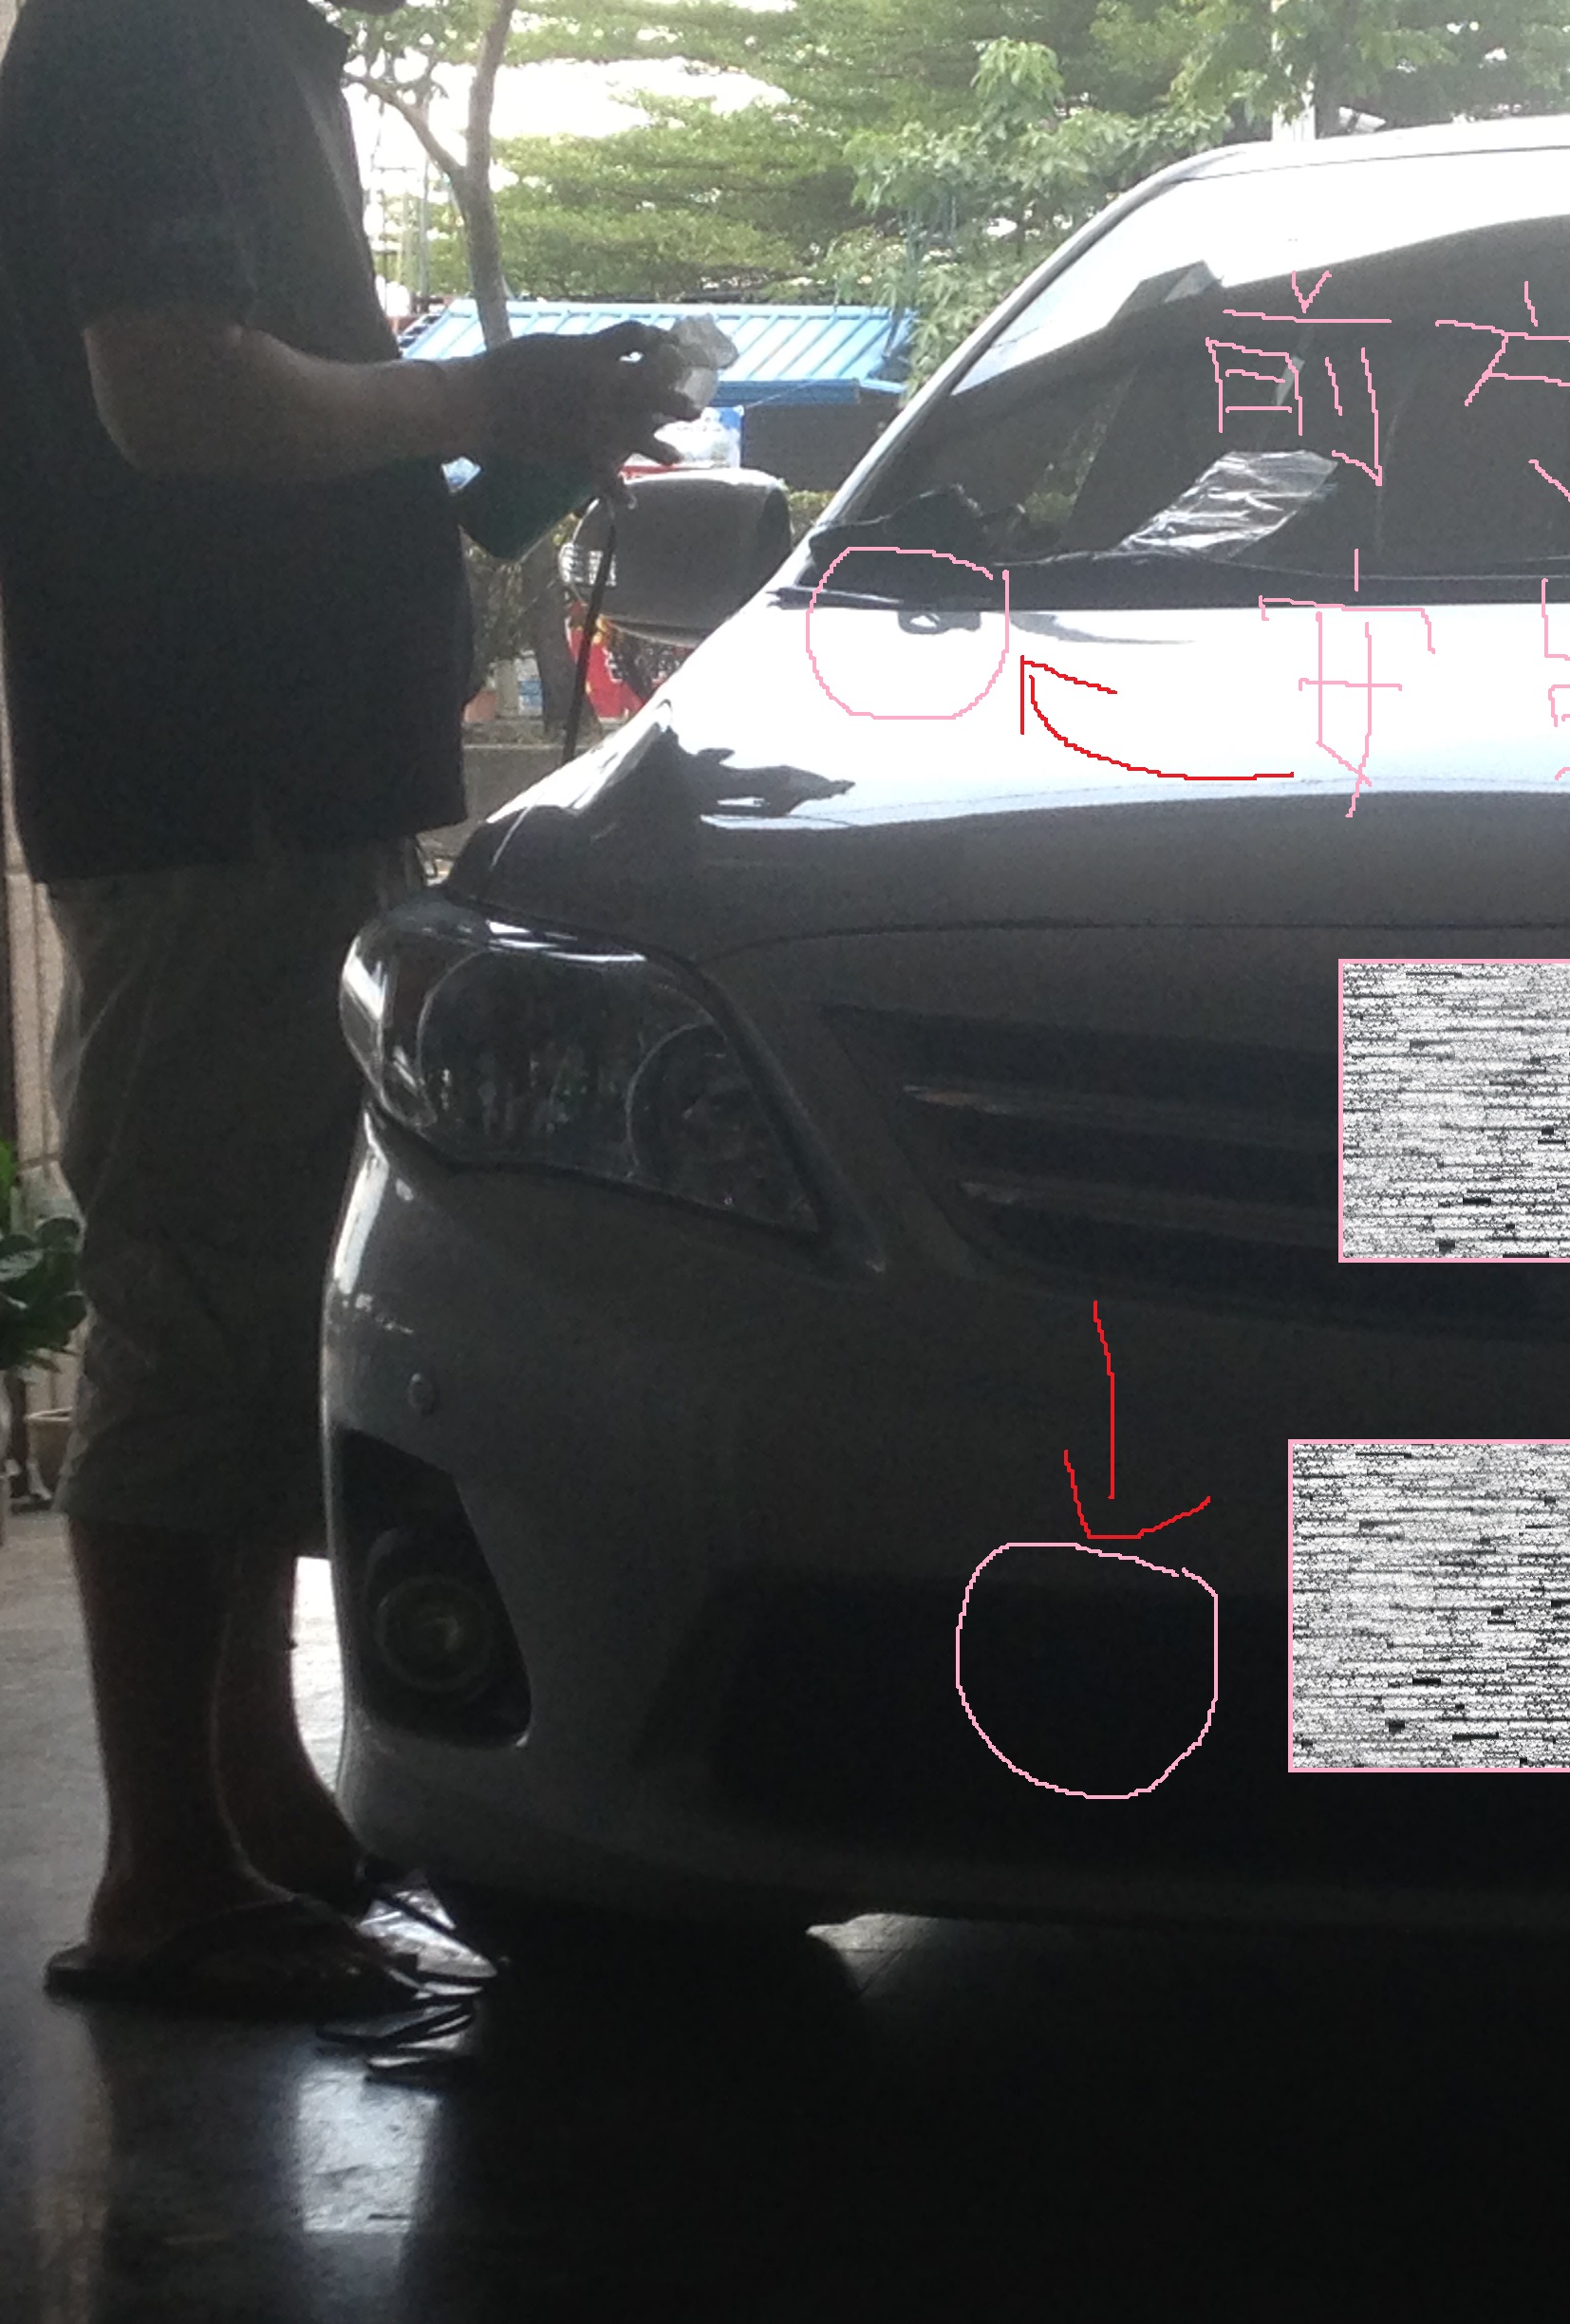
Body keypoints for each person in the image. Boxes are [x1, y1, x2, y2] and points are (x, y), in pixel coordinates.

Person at [0, 0, 692, 2015]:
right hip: (218, 796)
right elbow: (177, 397)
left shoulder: (243, 48)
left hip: (285, 791)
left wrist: (503, 432)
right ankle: (166, 1875)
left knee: (253, 1317)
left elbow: (263, 420)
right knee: (201, 1310)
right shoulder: (154, 36)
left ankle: (251, 1802)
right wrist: (485, 388)